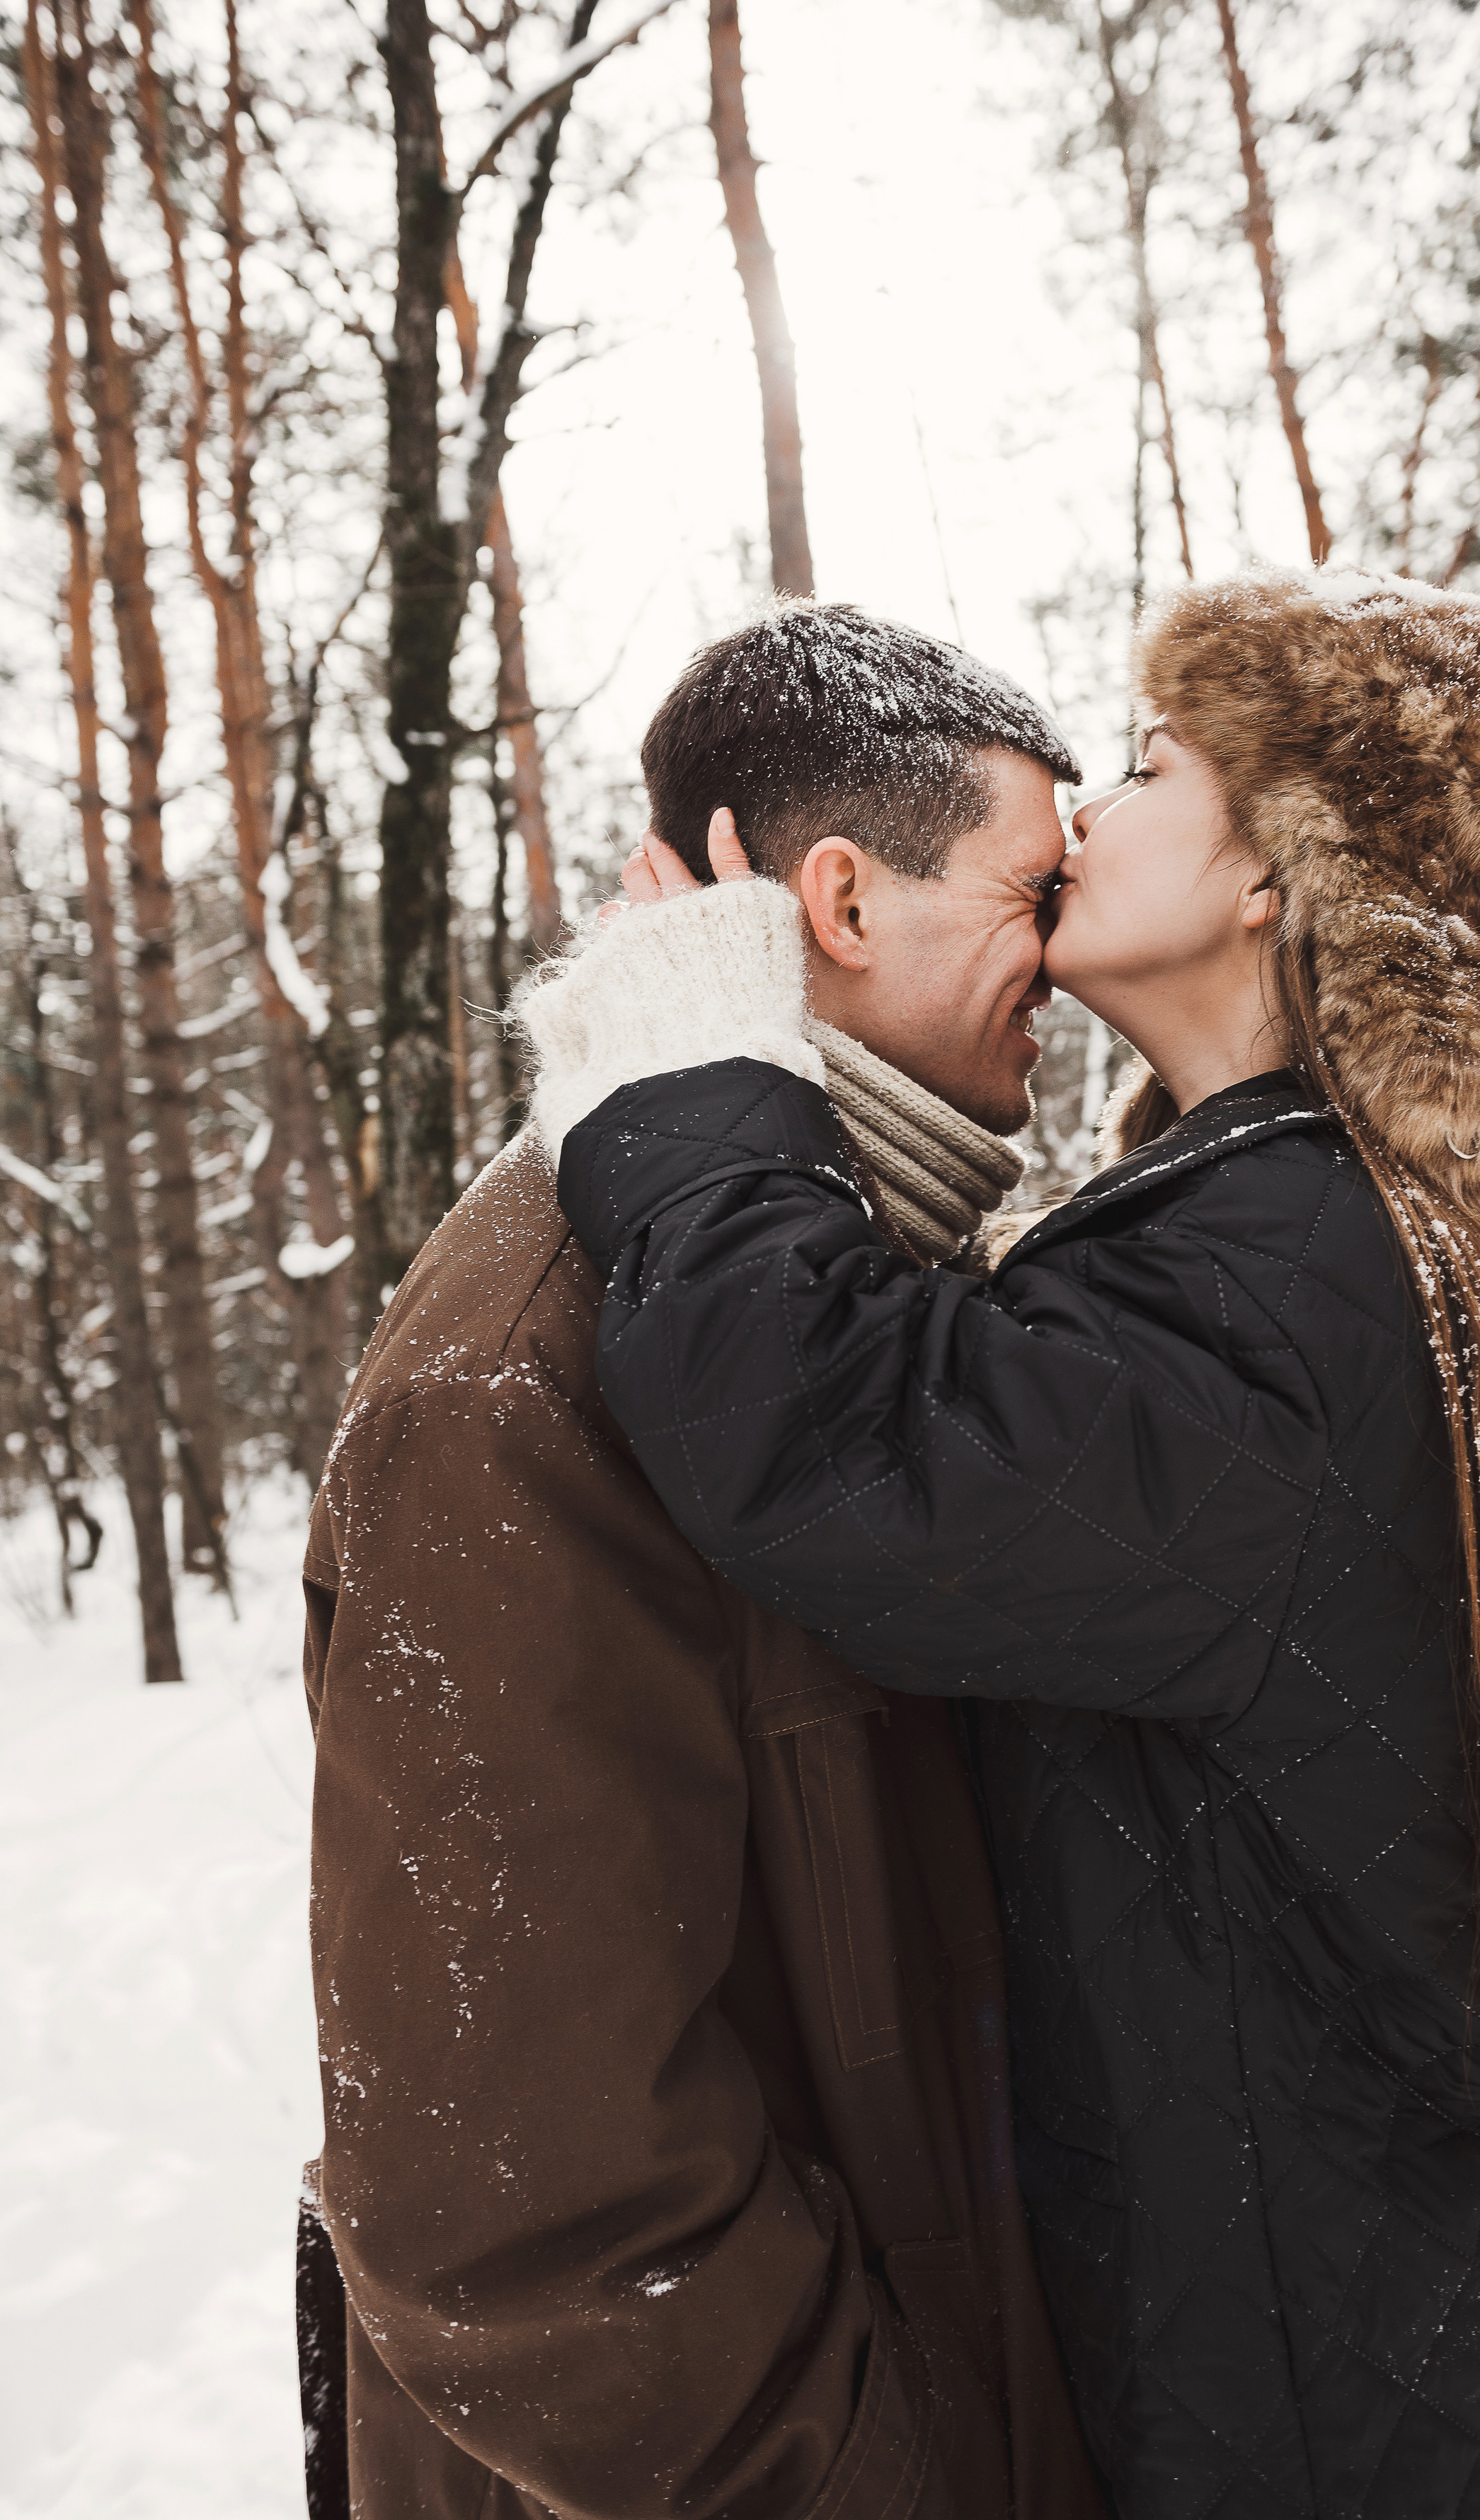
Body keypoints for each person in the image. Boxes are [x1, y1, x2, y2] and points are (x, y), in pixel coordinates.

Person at [544, 569, 1480, 2520]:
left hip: (1319, 2400)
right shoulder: (1351, 1229)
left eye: (1148, 768)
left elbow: (828, 1443)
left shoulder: (1281, 1280)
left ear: (1277, 870)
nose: (1083, 822)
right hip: (1407, 2323)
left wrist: (702, 1067)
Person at [299, 605, 1108, 2520]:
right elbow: (529, 2207)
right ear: (842, 898)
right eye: (1035, 890)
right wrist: (899, 2478)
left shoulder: (849, 1317)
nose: (1069, 955)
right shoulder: (525, 1373)